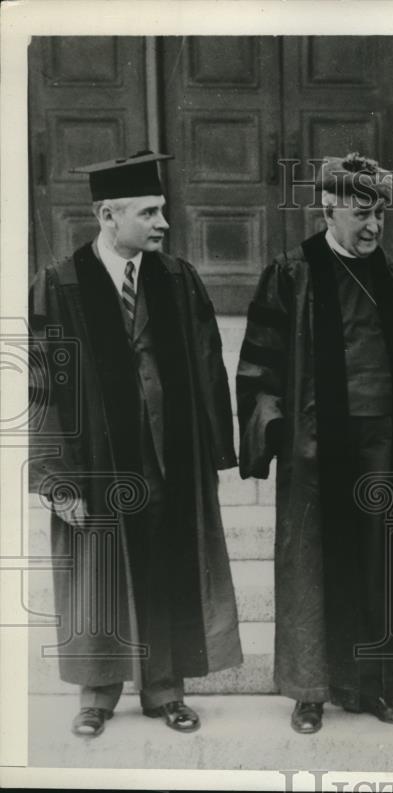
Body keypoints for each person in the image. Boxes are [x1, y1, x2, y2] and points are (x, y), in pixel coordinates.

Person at [28, 151, 242, 738]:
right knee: (97, 571)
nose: (163, 224)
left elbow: (207, 366)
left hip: (168, 454)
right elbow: (42, 386)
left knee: (165, 564)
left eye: (162, 212)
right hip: (97, 458)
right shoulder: (58, 284)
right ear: (107, 214)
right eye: (149, 212)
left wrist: (213, 451)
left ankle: (165, 689)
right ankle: (97, 694)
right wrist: (54, 476)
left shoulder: (177, 278)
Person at [236, 153, 393, 734]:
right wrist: (273, 432)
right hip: (319, 447)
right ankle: (310, 691)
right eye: (362, 213)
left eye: (381, 216)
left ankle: (377, 687)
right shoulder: (292, 272)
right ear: (329, 209)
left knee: (383, 564)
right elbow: (260, 366)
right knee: (312, 569)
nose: (373, 226)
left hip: (388, 447)